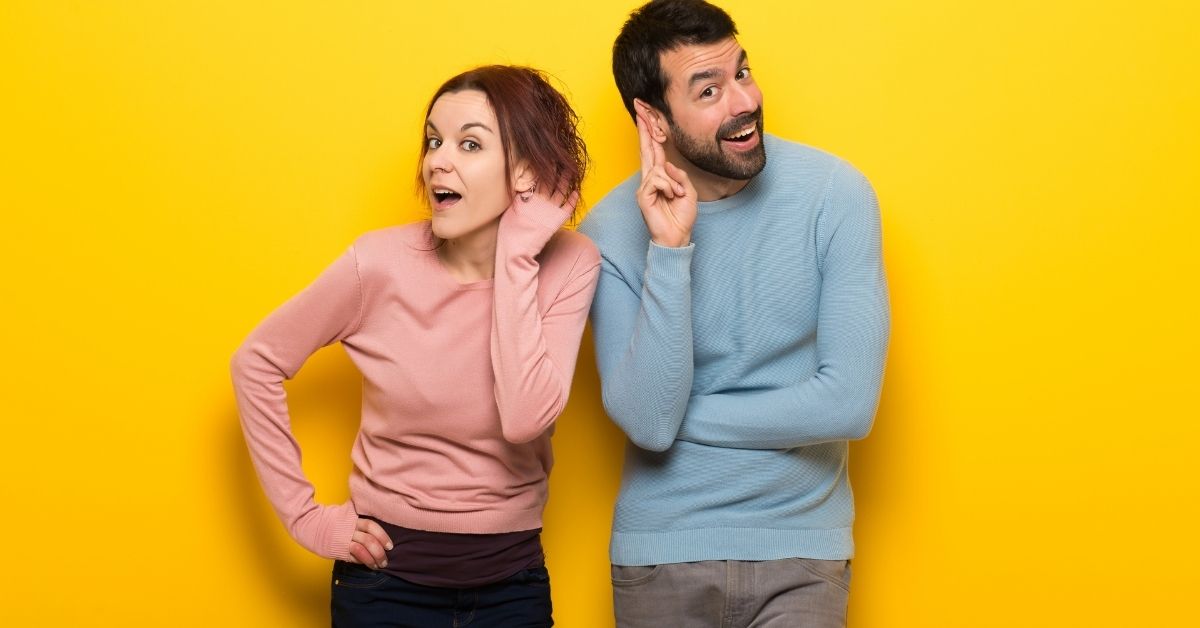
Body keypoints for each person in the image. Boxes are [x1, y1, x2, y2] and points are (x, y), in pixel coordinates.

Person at [231, 65, 599, 628]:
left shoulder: (570, 265)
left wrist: (518, 256)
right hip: (384, 586)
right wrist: (306, 518)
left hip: (513, 588)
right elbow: (255, 362)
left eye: (469, 143)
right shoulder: (376, 265)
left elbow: (525, 418)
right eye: (433, 140)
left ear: (526, 172)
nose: (436, 161)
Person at [578, 1, 890, 626]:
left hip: (802, 551)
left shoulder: (836, 194)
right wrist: (670, 251)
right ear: (652, 118)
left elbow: (848, 404)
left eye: (742, 72)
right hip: (660, 554)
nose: (743, 102)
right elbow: (647, 422)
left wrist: (684, 412)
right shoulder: (610, 232)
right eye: (709, 89)